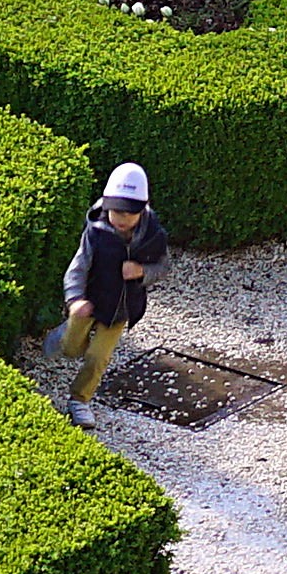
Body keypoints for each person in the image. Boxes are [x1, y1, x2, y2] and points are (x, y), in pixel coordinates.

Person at [55, 162, 167, 406]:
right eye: (116, 211)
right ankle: (66, 333)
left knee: (98, 358)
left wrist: (142, 271)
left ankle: (79, 400)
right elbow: (78, 266)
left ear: (142, 210)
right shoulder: (96, 231)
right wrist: (75, 300)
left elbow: (163, 267)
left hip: (120, 309)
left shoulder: (154, 235)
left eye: (128, 213)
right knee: (71, 350)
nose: (121, 218)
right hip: (90, 301)